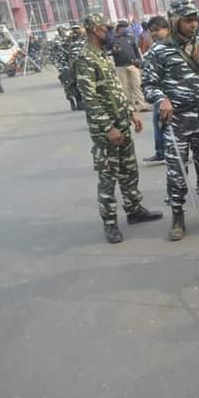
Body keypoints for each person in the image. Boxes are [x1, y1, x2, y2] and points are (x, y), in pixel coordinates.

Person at [142, 0, 199, 241]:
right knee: (176, 171)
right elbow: (148, 84)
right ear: (174, 22)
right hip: (177, 122)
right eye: (187, 20)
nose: (193, 24)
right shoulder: (159, 51)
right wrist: (162, 99)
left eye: (195, 19)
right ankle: (178, 215)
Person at [76, 14, 163, 243]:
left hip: (121, 122)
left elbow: (114, 89)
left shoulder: (103, 55)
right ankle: (110, 223)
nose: (111, 32)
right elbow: (90, 99)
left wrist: (130, 112)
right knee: (108, 177)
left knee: (129, 170)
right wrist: (108, 128)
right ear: (96, 30)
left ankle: (134, 210)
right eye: (107, 28)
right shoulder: (85, 58)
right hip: (106, 131)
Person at [142, 16, 170, 164]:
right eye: (151, 31)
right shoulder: (154, 48)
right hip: (158, 94)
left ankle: (170, 153)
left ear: (167, 28)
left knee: (166, 125)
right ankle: (161, 152)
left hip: (171, 95)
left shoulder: (172, 46)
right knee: (158, 124)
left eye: (157, 30)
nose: (154, 34)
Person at [110, 20, 147, 114]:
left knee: (137, 85)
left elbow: (136, 50)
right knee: (125, 87)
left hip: (132, 65)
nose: (126, 29)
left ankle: (142, 105)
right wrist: (114, 51)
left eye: (127, 27)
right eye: (124, 28)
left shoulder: (130, 37)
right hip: (120, 66)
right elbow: (109, 52)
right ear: (119, 28)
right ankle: (130, 106)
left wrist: (139, 60)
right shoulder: (113, 39)